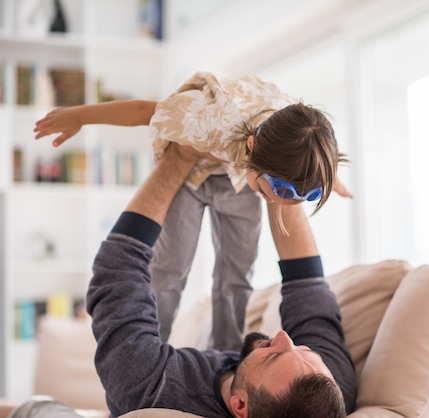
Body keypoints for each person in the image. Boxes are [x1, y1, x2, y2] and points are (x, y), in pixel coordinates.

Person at [33, 71, 352, 351]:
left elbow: (314, 158)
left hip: (237, 179)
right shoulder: (209, 120)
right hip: (192, 173)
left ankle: (225, 352)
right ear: (253, 147)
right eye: (277, 191)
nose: (277, 203)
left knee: (238, 273)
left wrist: (325, 181)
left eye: (301, 196)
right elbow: (143, 110)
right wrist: (79, 116)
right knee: (171, 268)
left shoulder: (298, 140)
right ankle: (149, 346)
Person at [87, 141, 356, 417]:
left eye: (274, 355)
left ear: (240, 406)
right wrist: (286, 176)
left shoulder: (152, 388)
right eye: (303, 349)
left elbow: (117, 270)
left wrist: (179, 158)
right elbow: (306, 283)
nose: (284, 337)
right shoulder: (327, 396)